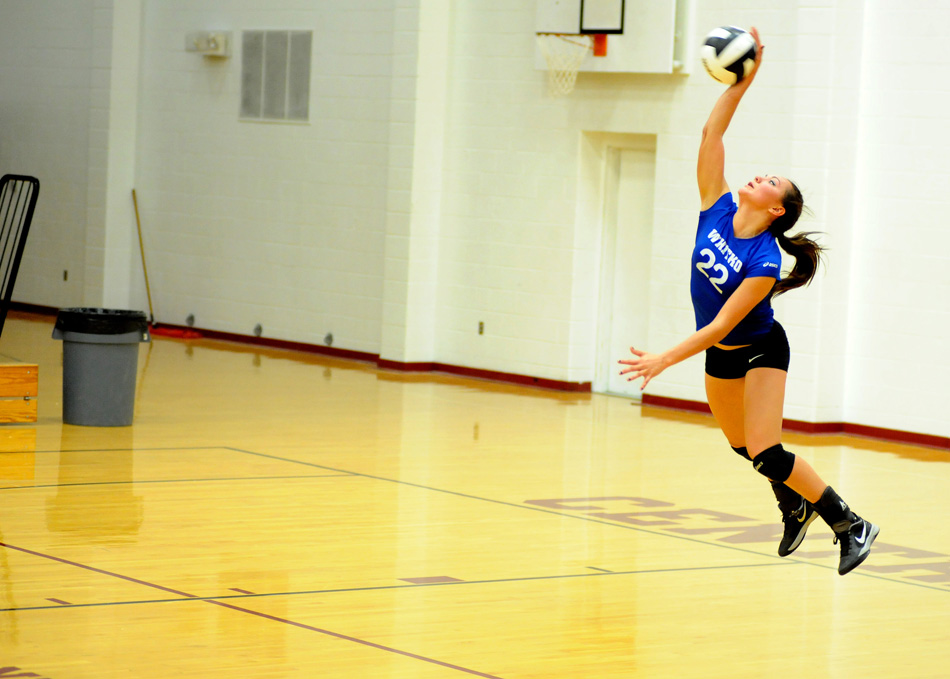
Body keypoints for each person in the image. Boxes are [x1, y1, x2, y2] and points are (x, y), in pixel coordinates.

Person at [618, 28, 878, 576]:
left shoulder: (764, 262)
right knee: (742, 447)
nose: (760, 175)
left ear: (777, 210)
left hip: (759, 349)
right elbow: (712, 132)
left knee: (767, 449)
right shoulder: (713, 206)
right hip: (723, 354)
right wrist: (743, 81)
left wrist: (663, 358)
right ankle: (793, 502)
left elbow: (720, 326)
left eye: (772, 182)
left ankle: (849, 522)